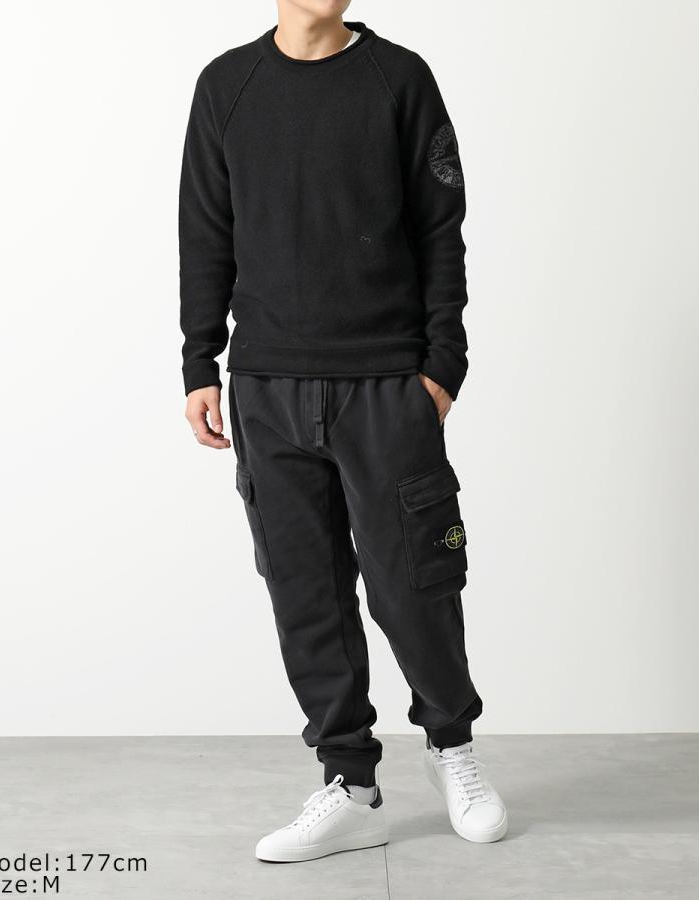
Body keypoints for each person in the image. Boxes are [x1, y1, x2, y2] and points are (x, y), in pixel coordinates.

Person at [179, 0, 507, 862]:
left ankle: (453, 748)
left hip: (386, 383)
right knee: (306, 594)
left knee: (416, 583)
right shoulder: (226, 86)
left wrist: (441, 368)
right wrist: (199, 361)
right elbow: (205, 229)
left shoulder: (399, 79)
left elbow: (441, 228)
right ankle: (351, 784)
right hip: (267, 384)